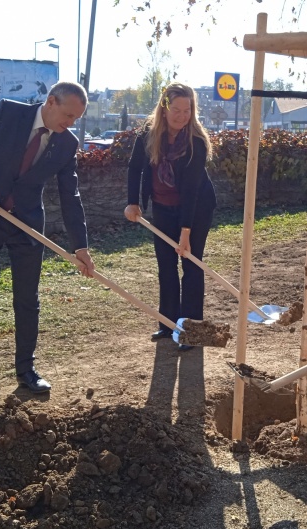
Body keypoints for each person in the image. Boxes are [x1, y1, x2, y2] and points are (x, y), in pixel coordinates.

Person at [0, 81, 95, 405]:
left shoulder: (66, 144)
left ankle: (26, 371)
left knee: (28, 300)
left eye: (76, 119)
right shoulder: (8, 114)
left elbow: (70, 195)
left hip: (26, 225)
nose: (70, 124)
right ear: (51, 101)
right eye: (68, 115)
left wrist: (80, 247)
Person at [124, 82, 216, 351]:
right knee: (165, 265)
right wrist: (132, 202)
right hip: (162, 207)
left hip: (196, 209)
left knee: (191, 265)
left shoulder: (196, 141)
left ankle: (192, 330)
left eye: (187, 110)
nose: (182, 116)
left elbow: (190, 190)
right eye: (177, 110)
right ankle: (167, 324)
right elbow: (134, 168)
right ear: (164, 109)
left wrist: (185, 234)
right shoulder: (148, 135)